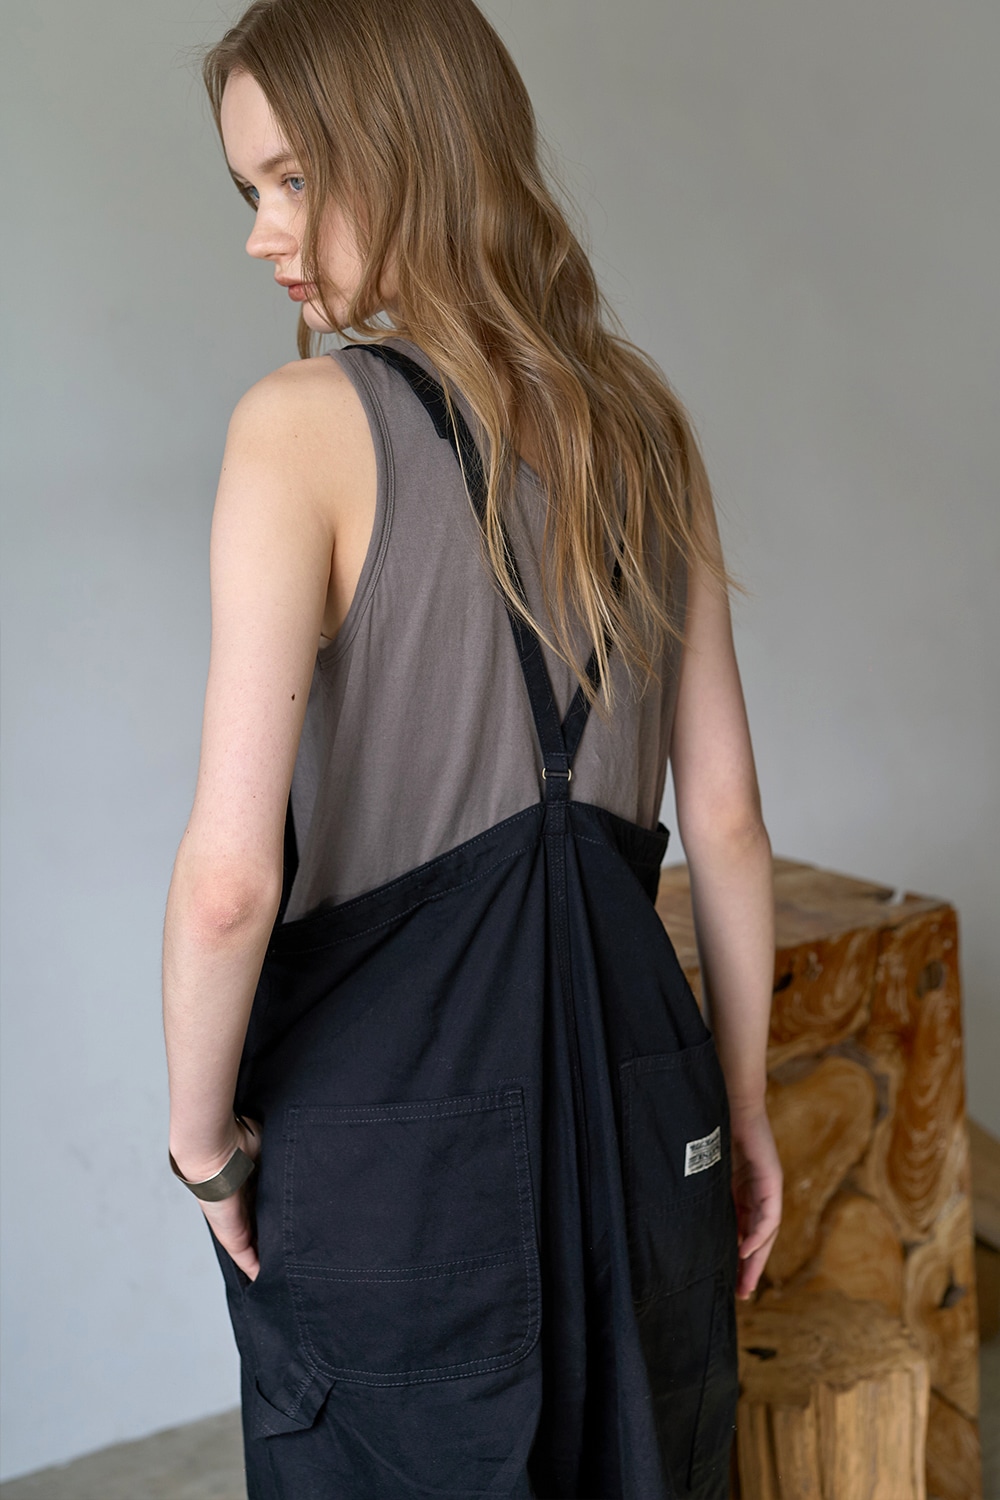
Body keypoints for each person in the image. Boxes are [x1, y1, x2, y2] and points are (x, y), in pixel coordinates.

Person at [161, 1, 782, 1495]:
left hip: (392, 1139)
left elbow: (230, 884)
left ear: (414, 148)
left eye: (293, 178)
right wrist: (744, 1117)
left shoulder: (298, 428)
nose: (261, 234)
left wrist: (203, 1150)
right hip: (645, 1107)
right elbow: (729, 826)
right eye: (250, 188)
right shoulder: (648, 430)